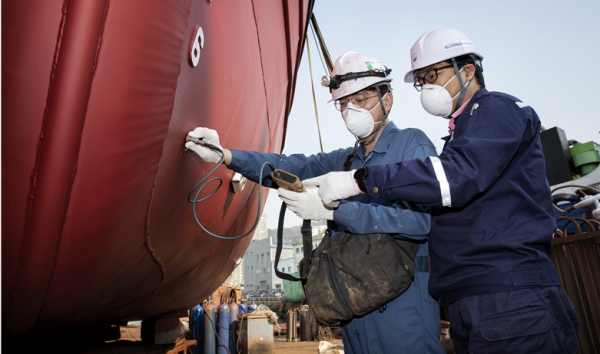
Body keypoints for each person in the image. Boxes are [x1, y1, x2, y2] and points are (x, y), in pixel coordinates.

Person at [304, 28, 580, 353]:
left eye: (432, 75)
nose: (427, 87)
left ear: (467, 71)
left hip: (508, 296)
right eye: (422, 79)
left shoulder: (495, 109)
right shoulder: (461, 134)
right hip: (471, 298)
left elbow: (455, 178)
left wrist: (358, 182)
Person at [185, 52, 446, 354]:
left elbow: (419, 222)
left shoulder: (412, 144)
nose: (351, 110)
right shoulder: (344, 160)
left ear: (386, 100)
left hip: (403, 305)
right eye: (344, 103)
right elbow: (287, 165)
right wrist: (227, 156)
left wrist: (334, 210)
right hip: (356, 302)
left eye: (360, 99)